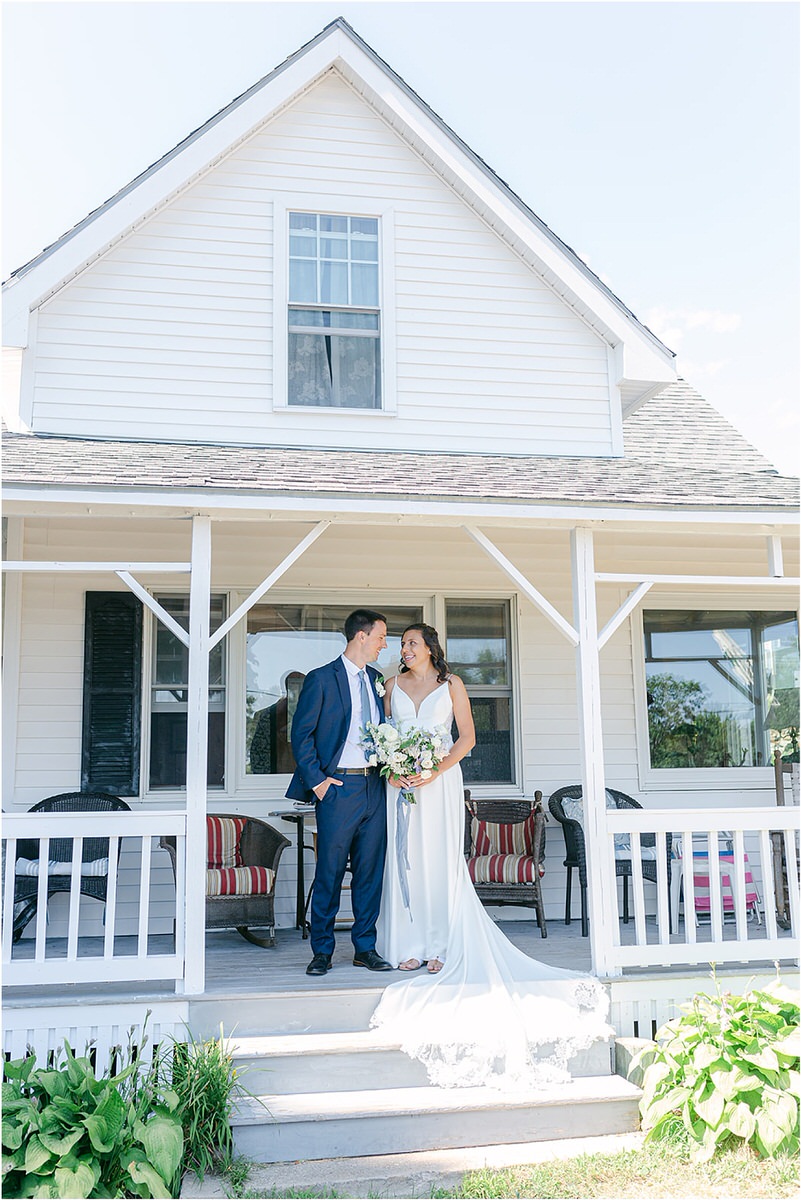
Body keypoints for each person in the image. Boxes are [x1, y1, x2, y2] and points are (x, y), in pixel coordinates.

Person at [373, 623, 612, 1090]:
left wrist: (432, 771)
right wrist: (396, 768)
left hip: (438, 785)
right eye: (401, 644)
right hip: (399, 787)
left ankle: (441, 945)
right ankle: (409, 945)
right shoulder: (390, 686)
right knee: (405, 862)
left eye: (412, 643)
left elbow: (467, 740)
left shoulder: (451, 685)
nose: (404, 649)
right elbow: (383, 734)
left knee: (439, 861)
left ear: (431, 649)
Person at [287, 609, 394, 977]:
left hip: (374, 786)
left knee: (370, 872)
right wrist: (318, 782)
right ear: (361, 636)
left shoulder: (378, 680)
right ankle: (322, 951)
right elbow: (300, 736)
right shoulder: (321, 679)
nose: (385, 644)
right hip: (337, 788)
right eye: (381, 637)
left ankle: (365, 948)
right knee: (330, 872)